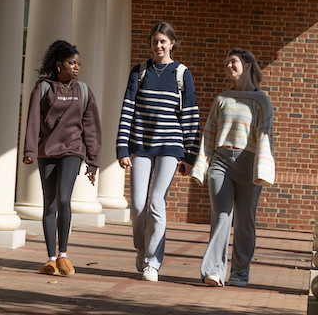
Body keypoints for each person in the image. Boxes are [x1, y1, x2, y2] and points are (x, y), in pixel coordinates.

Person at [116, 21, 200, 282]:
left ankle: (153, 261)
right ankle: (142, 248)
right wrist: (122, 147)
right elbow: (127, 109)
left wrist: (189, 154)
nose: (159, 46)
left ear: (172, 43)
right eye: (155, 41)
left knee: (156, 203)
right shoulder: (139, 71)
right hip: (140, 144)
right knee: (138, 204)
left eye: (163, 41)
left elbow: (190, 114)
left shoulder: (181, 73)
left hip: (170, 146)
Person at [191, 47, 275, 288]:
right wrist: (201, 166)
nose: (229, 66)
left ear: (248, 64)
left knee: (245, 221)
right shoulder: (221, 98)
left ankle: (240, 273)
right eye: (227, 63)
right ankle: (213, 271)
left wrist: (263, 170)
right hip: (221, 164)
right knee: (221, 217)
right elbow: (208, 134)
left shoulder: (262, 100)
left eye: (233, 62)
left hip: (249, 166)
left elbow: (265, 136)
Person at [23, 40, 101, 276]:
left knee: (64, 198)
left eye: (79, 64)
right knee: (49, 204)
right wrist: (30, 151)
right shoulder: (43, 88)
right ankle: (51, 258)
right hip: (47, 152)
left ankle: (64, 254)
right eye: (71, 63)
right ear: (59, 65)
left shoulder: (84, 91)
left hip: (73, 151)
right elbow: (33, 120)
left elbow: (91, 128)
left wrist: (93, 161)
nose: (76, 67)